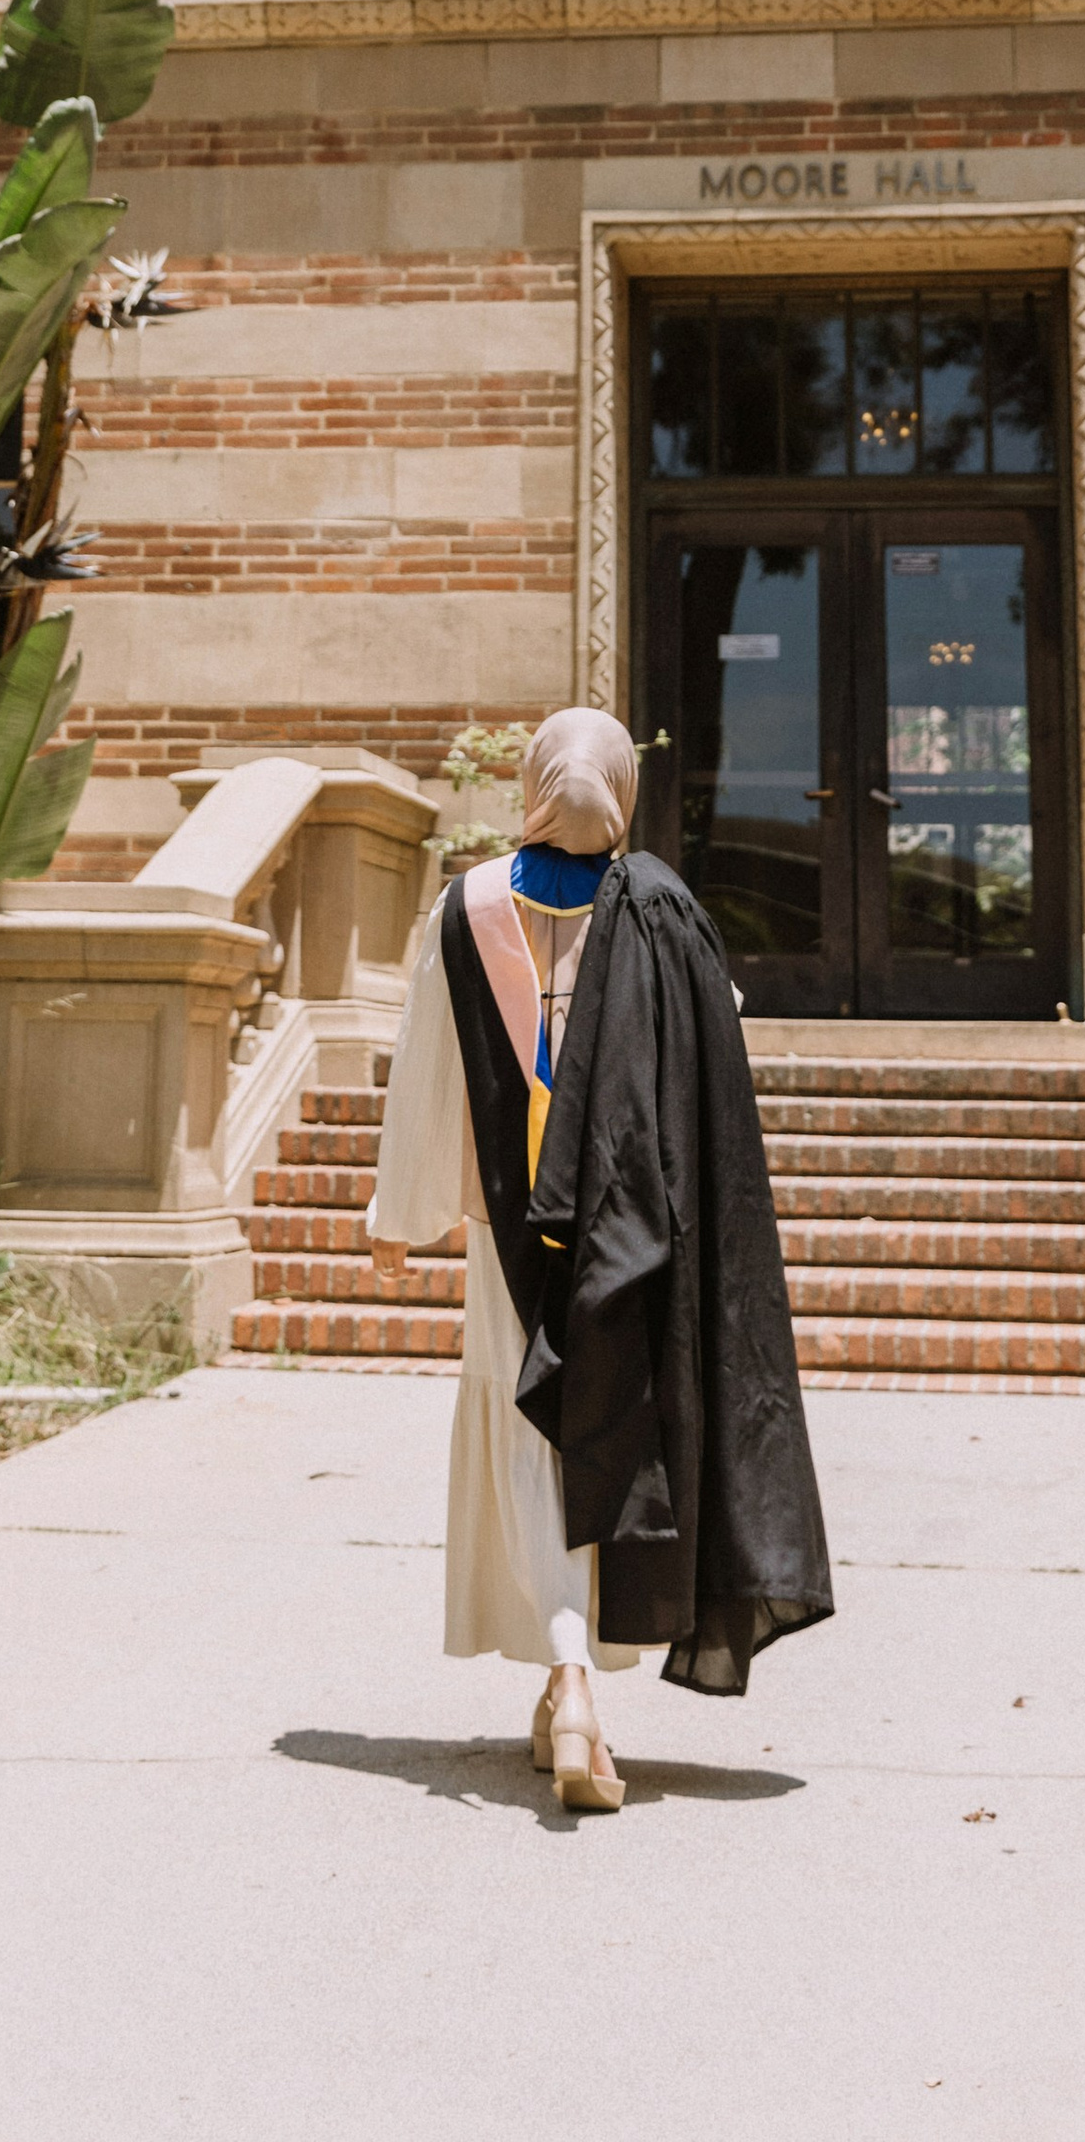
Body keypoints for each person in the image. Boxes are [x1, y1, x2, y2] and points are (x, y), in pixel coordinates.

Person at [367, 703, 832, 1813]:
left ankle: (563, 1679)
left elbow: (426, 1061)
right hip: (633, 1229)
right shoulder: (663, 905)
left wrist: (401, 1213)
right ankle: (573, 1678)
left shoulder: (466, 905)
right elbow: (712, 1042)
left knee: (530, 1425)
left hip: (504, 1230)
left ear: (532, 780)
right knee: (608, 1430)